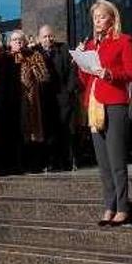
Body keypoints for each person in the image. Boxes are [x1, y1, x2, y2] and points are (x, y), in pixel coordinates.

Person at [78, 0, 132, 227]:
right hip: (94, 105)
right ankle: (109, 205)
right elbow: (84, 80)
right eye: (95, 18)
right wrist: (81, 61)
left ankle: (123, 207)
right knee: (103, 163)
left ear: (112, 18)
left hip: (114, 103)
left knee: (116, 159)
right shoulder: (92, 45)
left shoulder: (124, 41)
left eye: (102, 17)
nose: (97, 21)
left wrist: (110, 74)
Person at [6, 30, 49, 171]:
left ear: (25, 42)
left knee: (32, 132)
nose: (18, 42)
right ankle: (17, 164)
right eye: (14, 39)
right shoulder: (6, 57)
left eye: (20, 39)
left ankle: (34, 164)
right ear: (9, 43)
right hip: (13, 101)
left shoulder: (34, 55)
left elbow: (44, 77)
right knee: (15, 132)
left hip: (31, 101)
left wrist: (31, 64)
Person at [38, 24, 79, 171]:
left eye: (50, 36)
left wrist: (69, 92)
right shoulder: (36, 52)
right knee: (49, 132)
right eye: (45, 36)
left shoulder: (63, 49)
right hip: (45, 99)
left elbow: (72, 72)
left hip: (63, 98)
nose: (48, 39)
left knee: (66, 131)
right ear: (39, 38)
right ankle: (50, 162)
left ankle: (69, 161)